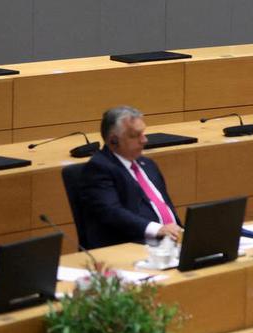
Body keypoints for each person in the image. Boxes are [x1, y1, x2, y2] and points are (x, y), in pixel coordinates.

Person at [78, 105, 182, 249]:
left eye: (143, 133)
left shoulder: (147, 164)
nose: (144, 140)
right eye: (135, 135)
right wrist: (157, 229)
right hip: (131, 247)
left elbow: (164, 206)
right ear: (114, 140)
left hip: (170, 244)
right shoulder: (99, 169)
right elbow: (112, 213)